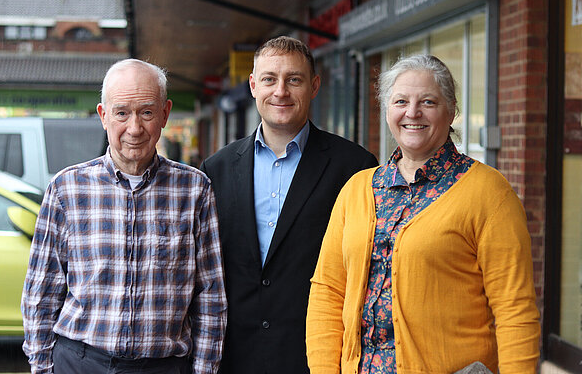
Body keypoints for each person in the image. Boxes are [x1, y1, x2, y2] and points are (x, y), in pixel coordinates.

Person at [306, 55, 541, 374]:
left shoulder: (488, 193)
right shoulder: (357, 189)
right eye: (400, 101)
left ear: (452, 111)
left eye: (428, 102)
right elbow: (328, 292)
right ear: (387, 110)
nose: (412, 113)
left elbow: (515, 311)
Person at [21, 59, 227, 374]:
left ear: (165, 114)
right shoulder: (66, 188)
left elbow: (210, 295)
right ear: (103, 116)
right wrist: (42, 366)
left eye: (146, 112)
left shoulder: (195, 190)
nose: (134, 128)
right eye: (121, 113)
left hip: (164, 367)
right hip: (79, 364)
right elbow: (41, 291)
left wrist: (205, 370)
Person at [200, 36, 378, 374]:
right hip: (235, 357)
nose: (280, 91)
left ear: (314, 86)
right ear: (253, 85)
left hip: (317, 355)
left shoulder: (355, 167)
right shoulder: (216, 169)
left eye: (293, 80)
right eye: (269, 79)